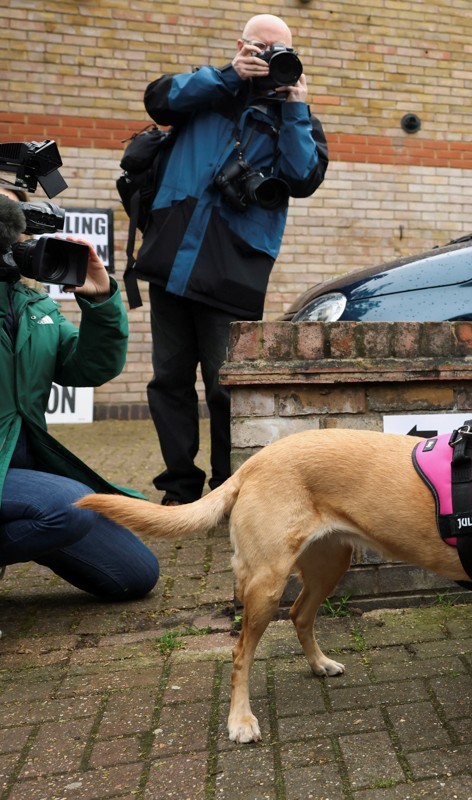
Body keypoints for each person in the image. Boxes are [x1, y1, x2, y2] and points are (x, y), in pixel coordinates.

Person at [134, 13, 328, 504]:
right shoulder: (206, 92)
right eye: (260, 48)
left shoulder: (292, 115)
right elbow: (158, 98)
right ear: (241, 46)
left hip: (232, 267)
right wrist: (228, 76)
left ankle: (228, 489)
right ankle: (179, 487)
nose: (268, 58)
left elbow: (303, 178)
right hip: (172, 257)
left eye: (278, 50)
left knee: (226, 387)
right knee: (170, 380)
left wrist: (296, 110)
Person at [0, 186, 159, 617]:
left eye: (19, 219)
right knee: (68, 505)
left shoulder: (33, 307)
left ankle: (27, 523)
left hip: (26, 469)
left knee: (135, 574)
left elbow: (88, 369)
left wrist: (100, 300)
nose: (14, 229)